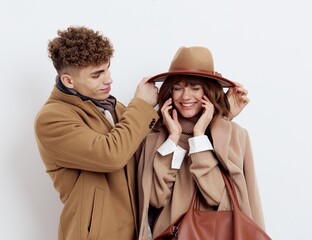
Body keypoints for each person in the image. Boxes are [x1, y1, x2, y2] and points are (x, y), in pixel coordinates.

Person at [34, 26, 160, 240]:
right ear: (68, 81)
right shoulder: (51, 119)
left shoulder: (114, 108)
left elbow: (147, 150)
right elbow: (111, 154)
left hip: (135, 231)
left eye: (107, 69)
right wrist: (140, 105)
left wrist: (222, 115)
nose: (108, 79)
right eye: (97, 74)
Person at [136, 46, 265, 240]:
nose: (185, 96)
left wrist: (198, 138)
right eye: (178, 88)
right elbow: (154, 198)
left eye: (195, 88)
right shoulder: (154, 136)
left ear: (208, 91)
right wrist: (173, 138)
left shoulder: (233, 135)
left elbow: (218, 198)